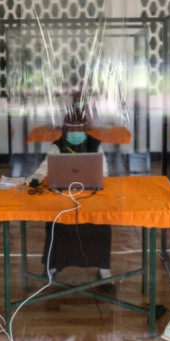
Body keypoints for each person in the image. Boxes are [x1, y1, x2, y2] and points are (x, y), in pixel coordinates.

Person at [28, 113, 114, 293]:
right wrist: (36, 177)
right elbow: (45, 166)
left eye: (79, 129)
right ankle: (52, 267)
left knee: (101, 224)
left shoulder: (95, 144)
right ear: (65, 129)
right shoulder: (57, 146)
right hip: (64, 197)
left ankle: (104, 271)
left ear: (85, 128)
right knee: (56, 223)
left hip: (91, 196)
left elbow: (104, 172)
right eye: (72, 129)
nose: (76, 133)